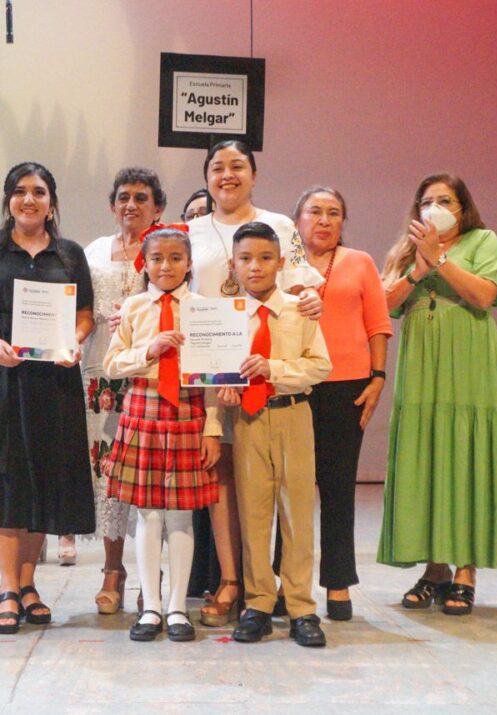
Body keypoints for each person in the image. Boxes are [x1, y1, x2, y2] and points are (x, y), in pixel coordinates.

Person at [0, 162, 96, 634]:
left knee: (42, 477)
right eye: (19, 191)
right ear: (7, 199)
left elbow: (85, 314)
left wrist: (75, 341)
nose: (28, 200)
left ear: (52, 199)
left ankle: (30, 584)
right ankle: (7, 587)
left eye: (38, 191)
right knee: (4, 476)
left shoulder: (70, 254)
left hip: (52, 382)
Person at [186, 140, 324, 627]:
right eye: (217, 167)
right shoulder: (190, 231)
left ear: (254, 173)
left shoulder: (280, 227)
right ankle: (244, 589)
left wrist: (310, 304)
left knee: (294, 506)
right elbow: (176, 295)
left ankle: (298, 600)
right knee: (241, 495)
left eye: (237, 165)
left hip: (283, 392)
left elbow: (306, 283)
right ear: (205, 176)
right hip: (216, 376)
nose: (228, 174)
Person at [377, 174, 497, 616]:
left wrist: (440, 259)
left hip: (468, 357)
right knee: (429, 452)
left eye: (446, 200)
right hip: (421, 359)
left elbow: (484, 296)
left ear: (463, 207)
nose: (436, 207)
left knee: (466, 453)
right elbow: (384, 306)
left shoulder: (482, 240)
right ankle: (435, 567)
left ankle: (466, 568)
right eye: (427, 201)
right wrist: (418, 266)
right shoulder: (404, 249)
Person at [103, 226, 222, 642]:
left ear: (189, 263)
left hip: (188, 410)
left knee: (181, 516)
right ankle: (149, 604)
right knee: (149, 514)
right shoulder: (135, 307)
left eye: (175, 258)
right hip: (144, 408)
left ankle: (177, 607)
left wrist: (212, 427)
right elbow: (112, 364)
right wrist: (148, 350)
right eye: (157, 258)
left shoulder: (205, 309)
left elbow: (212, 376)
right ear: (146, 263)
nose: (166, 266)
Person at [279, 186, 392, 621]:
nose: (324, 220)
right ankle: (288, 581)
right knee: (292, 490)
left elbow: (378, 324)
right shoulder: (281, 263)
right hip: (295, 384)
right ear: (297, 219)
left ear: (343, 222)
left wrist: (378, 377)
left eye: (334, 213)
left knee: (338, 488)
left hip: (348, 386)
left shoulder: (360, 262)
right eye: (314, 212)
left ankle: (338, 582)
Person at [219, 222, 332, 647]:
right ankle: (259, 604)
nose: (255, 267)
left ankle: (301, 607)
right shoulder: (225, 317)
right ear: (233, 264)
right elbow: (214, 368)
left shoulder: (299, 310)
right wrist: (223, 384)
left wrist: (276, 370)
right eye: (245, 259)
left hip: (293, 415)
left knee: (297, 513)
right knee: (253, 514)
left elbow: (321, 366)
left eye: (266, 258)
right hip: (248, 421)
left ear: (281, 263)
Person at [82, 167, 167, 614]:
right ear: (113, 204)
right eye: (123, 197)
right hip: (98, 372)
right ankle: (113, 570)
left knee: (148, 476)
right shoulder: (94, 250)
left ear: (158, 207)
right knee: (108, 475)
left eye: (141, 197)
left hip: (149, 376)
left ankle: (152, 572)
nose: (131, 205)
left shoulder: (166, 251)